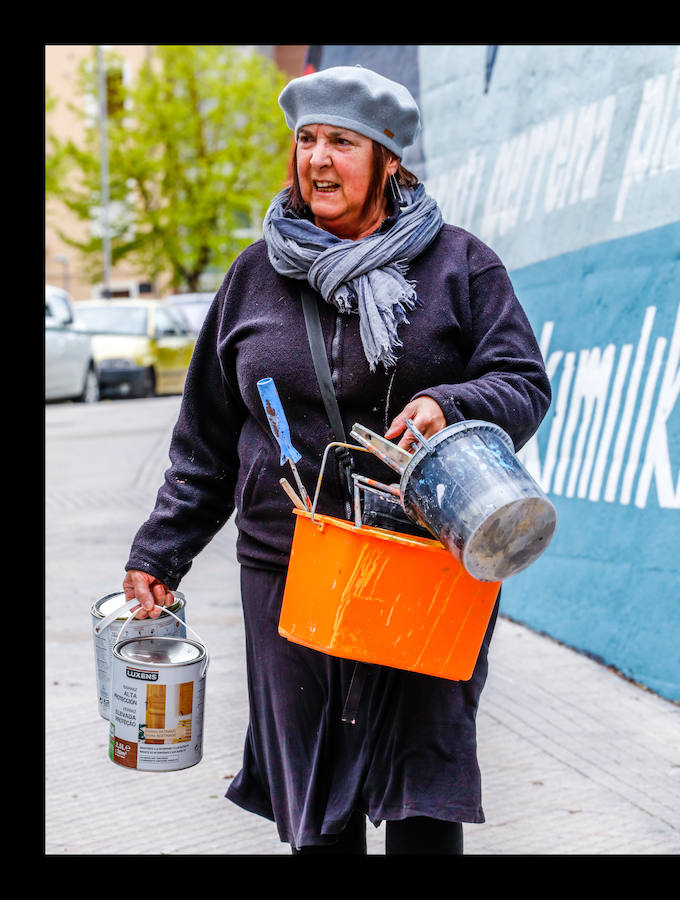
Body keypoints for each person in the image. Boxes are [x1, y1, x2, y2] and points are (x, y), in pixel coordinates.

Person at [122, 65, 552, 855]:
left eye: (342, 142)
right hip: (290, 568)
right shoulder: (254, 277)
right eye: (306, 140)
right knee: (316, 802)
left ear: (389, 161)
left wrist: (453, 405)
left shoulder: (459, 265)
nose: (317, 159)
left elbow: (522, 382)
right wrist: (160, 553)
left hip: (425, 562)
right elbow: (206, 441)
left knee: (424, 790)